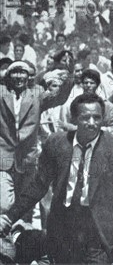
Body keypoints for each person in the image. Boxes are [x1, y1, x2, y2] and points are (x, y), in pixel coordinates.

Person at [0, 93, 113, 263]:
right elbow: (39, 185)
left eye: (97, 117)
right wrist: (10, 216)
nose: (92, 123)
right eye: (85, 117)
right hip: (64, 229)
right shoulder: (56, 143)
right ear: (74, 119)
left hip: (100, 231)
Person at [0, 61, 73, 214]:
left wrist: (65, 79)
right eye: (15, 72)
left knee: (24, 206)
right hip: (3, 159)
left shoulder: (37, 93)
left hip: (27, 159)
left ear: (28, 77)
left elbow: (60, 98)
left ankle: (16, 236)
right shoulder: (1, 92)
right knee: (5, 204)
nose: (19, 76)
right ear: (8, 75)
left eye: (23, 72)